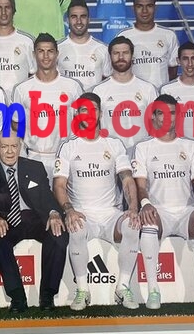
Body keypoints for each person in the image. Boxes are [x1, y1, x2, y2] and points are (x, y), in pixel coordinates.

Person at [52, 92, 142, 311]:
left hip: (111, 214)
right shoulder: (69, 146)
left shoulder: (114, 144)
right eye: (84, 110)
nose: (89, 114)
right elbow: (59, 185)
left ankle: (122, 288)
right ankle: (82, 290)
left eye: (93, 109)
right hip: (83, 214)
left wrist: (133, 207)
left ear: (100, 113)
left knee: (132, 224)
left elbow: (127, 179)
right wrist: (69, 210)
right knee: (75, 227)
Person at [131, 95, 194, 310]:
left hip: (186, 211)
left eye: (172, 113)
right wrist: (145, 203)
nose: (167, 118)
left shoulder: (191, 146)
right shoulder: (143, 147)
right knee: (149, 221)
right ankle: (153, 290)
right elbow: (140, 186)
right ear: (154, 117)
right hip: (159, 211)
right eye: (162, 113)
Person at [0, 134, 68, 312]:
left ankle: (47, 296)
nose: (10, 151)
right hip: (5, 220)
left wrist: (54, 213)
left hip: (33, 218)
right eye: (4, 147)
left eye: (14, 146)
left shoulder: (34, 167)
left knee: (58, 232)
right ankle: (17, 297)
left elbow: (47, 196)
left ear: (20, 148)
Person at [12, 32, 82, 177]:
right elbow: (16, 124)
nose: (45, 56)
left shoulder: (73, 87)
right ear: (34, 54)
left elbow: (82, 122)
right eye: (41, 51)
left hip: (66, 157)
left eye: (50, 51)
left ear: (57, 54)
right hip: (34, 157)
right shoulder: (22, 89)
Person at [93, 36, 159, 151]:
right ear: (110, 56)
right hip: (110, 154)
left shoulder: (148, 89)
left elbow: (157, 125)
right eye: (116, 53)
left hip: (141, 154)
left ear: (132, 56)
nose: (121, 57)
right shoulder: (99, 90)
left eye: (125, 53)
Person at [121, 0, 179, 88]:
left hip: (161, 95)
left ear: (155, 8)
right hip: (134, 94)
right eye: (139, 6)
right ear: (133, 8)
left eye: (149, 6)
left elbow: (173, 68)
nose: (145, 11)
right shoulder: (124, 36)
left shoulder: (169, 35)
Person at [57, 0, 111, 91]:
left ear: (89, 20)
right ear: (67, 20)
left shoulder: (103, 49)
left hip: (93, 100)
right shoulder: (57, 48)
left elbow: (107, 83)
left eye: (83, 16)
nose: (79, 21)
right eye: (74, 17)